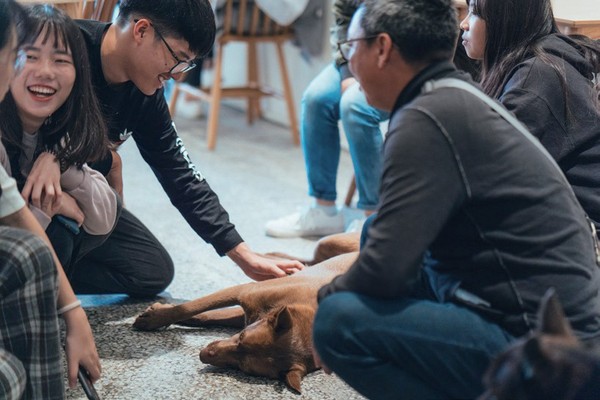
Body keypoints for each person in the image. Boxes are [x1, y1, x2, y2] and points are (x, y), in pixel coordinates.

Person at [311, 1, 600, 399]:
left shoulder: (426, 118)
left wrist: (325, 299)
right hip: (541, 317)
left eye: (350, 48)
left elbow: (384, 270)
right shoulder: (450, 97)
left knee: (336, 322)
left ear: (381, 48)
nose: (348, 64)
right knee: (373, 234)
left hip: (548, 352)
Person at [73, 0, 303, 297]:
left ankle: (49, 271)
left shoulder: (146, 93)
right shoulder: (66, 54)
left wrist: (241, 253)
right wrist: (108, 162)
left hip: (86, 194)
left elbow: (178, 169)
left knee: (151, 271)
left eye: (188, 64)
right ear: (141, 30)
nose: (179, 75)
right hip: (35, 192)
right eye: (178, 58)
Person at [0, 1, 100, 398]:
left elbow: (104, 215)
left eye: (59, 60)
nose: (22, 71)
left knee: (35, 251)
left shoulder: (72, 128)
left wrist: (73, 312)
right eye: (18, 57)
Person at [0, 5, 120, 280]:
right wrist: (50, 206)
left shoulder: (62, 128)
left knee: (150, 269)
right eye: (30, 56)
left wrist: (60, 162)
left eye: (60, 60)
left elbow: (103, 220)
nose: (45, 71)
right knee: (63, 229)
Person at [460, 0, 600, 235]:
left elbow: (487, 172)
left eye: (474, 12)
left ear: (505, 20)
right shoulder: (536, 65)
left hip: (583, 237)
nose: (463, 23)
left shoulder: (536, 79)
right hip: (564, 222)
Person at [265, 0, 388, 238]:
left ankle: (375, 219)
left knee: (356, 106)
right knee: (316, 99)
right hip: (358, 53)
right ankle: (323, 210)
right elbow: (342, 21)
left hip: (403, 58)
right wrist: (347, 73)